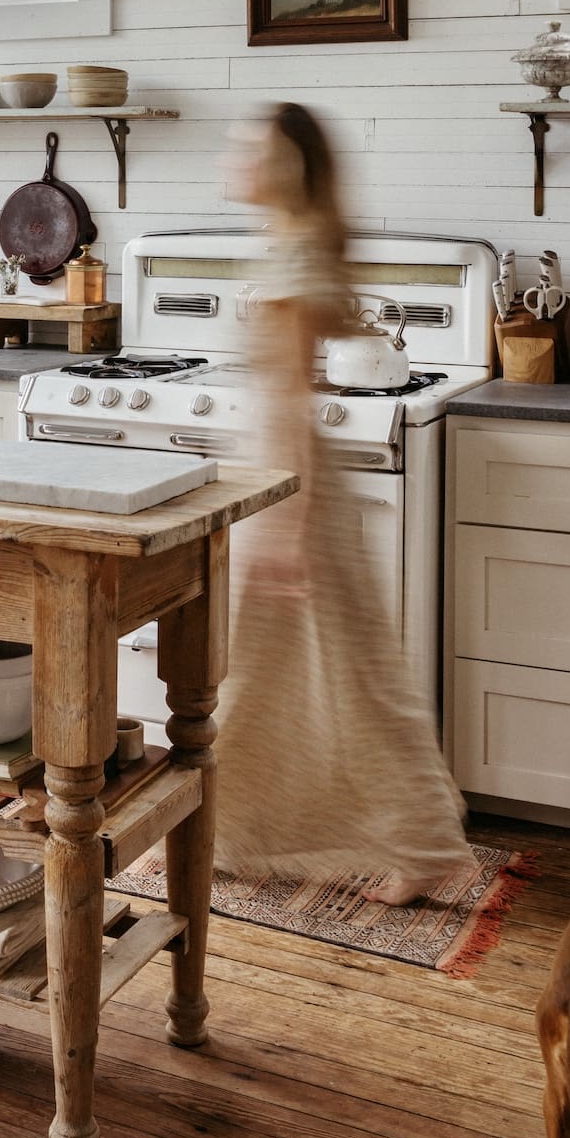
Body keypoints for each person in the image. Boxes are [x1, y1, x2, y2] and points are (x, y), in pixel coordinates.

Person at [213, 101, 471, 904]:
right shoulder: (296, 245)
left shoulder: (293, 262)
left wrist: (285, 526)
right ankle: (241, 834)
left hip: (286, 484)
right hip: (280, 479)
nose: (236, 158)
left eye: (251, 147)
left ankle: (420, 843)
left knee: (321, 674)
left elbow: (292, 397)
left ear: (287, 165)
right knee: (302, 672)